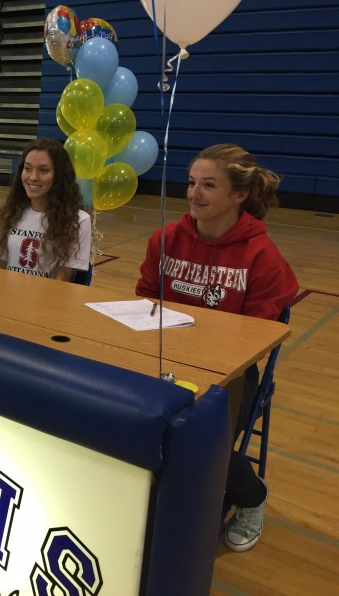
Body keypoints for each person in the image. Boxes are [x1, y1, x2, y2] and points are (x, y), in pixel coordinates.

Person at [136, 143, 298, 552]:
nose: (194, 193)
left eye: (209, 185)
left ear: (239, 195)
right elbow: (143, 300)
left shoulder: (262, 256)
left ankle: (251, 496)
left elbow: (256, 337)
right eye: (192, 182)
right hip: (163, 356)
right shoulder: (166, 239)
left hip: (230, 372)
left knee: (195, 437)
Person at [0, 138, 91, 281]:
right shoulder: (12, 211)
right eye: (27, 168)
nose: (33, 177)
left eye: (43, 170)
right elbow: (2, 265)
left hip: (46, 299)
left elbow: (63, 277)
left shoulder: (79, 220)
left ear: (59, 175)